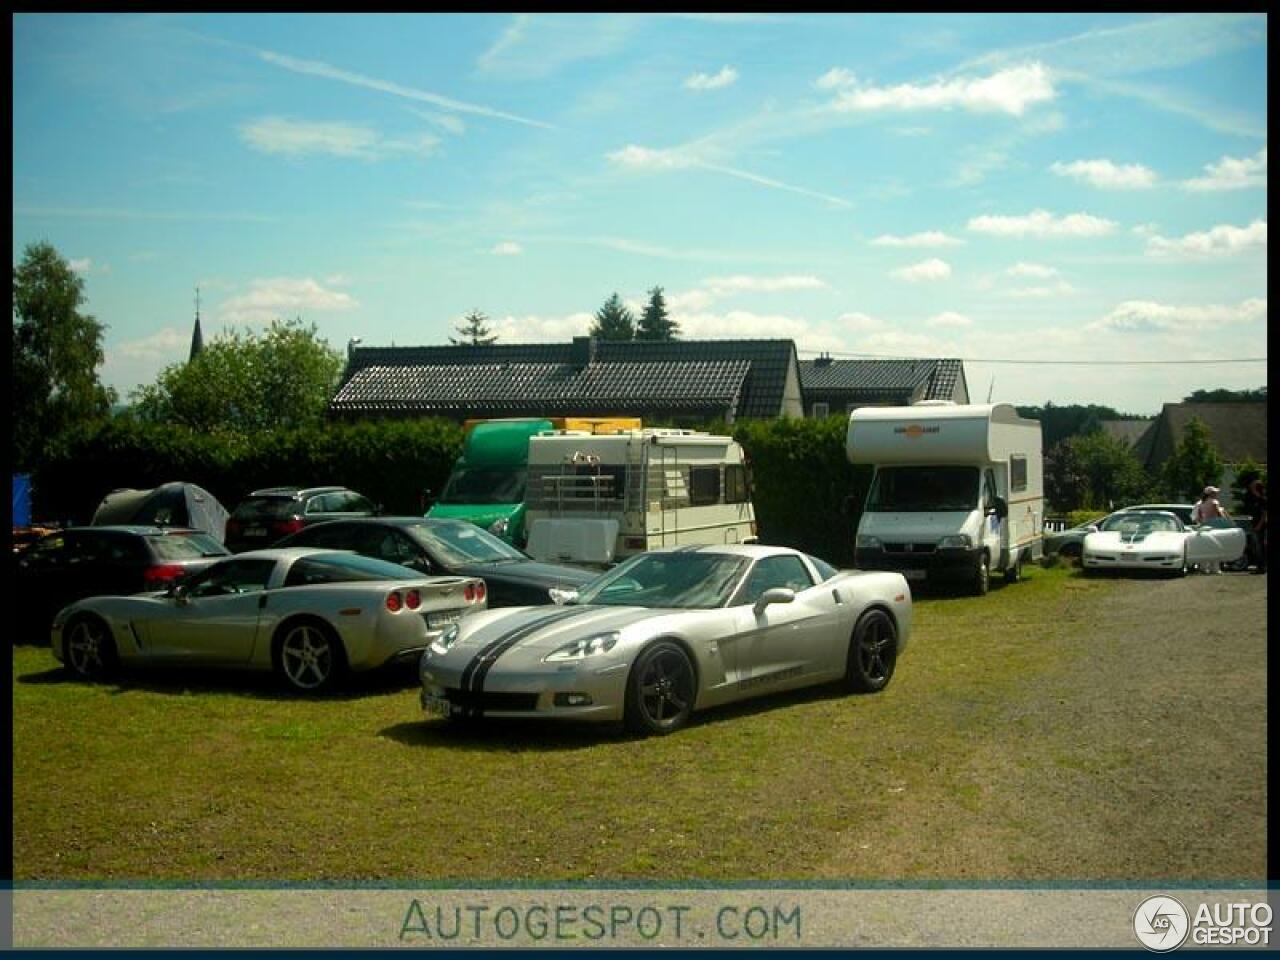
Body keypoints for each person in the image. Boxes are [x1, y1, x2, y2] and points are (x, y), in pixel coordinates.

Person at [1192, 486, 1230, 573]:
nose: (1216, 494)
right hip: (1214, 526)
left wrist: (1202, 523)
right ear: (1211, 494)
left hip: (1205, 526)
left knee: (1206, 547)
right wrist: (1226, 521)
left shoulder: (1200, 503)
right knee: (1216, 546)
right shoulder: (1214, 502)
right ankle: (1215, 568)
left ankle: (1204, 567)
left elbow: (1198, 517)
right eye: (1215, 492)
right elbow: (1219, 513)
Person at [1243, 479, 1267, 573]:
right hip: (1255, 524)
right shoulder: (1254, 499)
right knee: (1256, 547)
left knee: (1260, 547)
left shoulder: (1263, 499)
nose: (1251, 487)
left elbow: (1264, 514)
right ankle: (1259, 567)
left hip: (1260, 526)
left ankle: (1261, 568)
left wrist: (1259, 525)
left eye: (1253, 486)